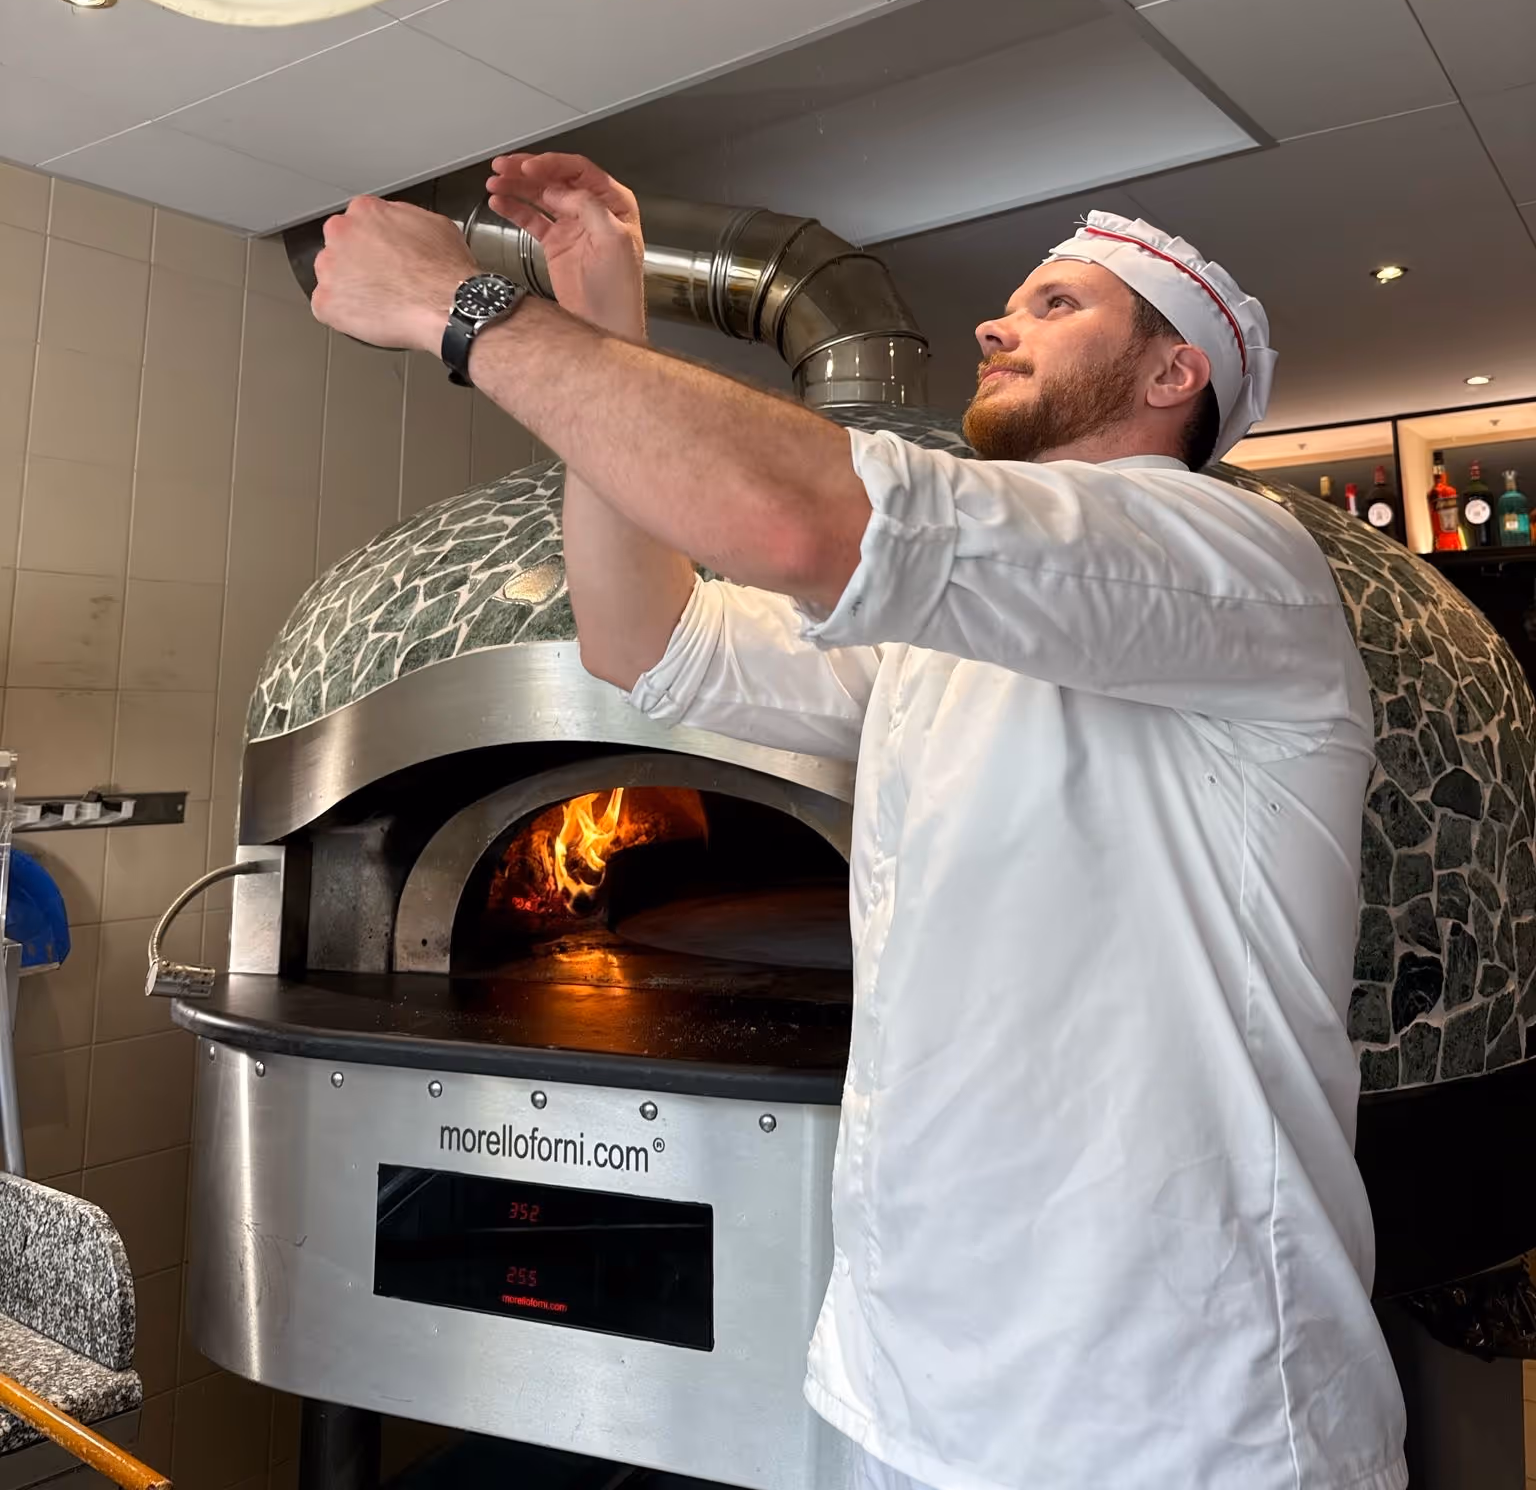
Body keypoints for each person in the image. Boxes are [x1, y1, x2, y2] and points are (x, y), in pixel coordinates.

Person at [311, 153, 1407, 1490]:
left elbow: (807, 518)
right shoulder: (945, 637)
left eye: (1059, 303)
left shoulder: (1233, 563)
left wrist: (464, 308)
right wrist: (601, 307)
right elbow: (643, 635)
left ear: (1178, 374)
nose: (998, 324)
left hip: (1177, 1412)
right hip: (911, 1379)